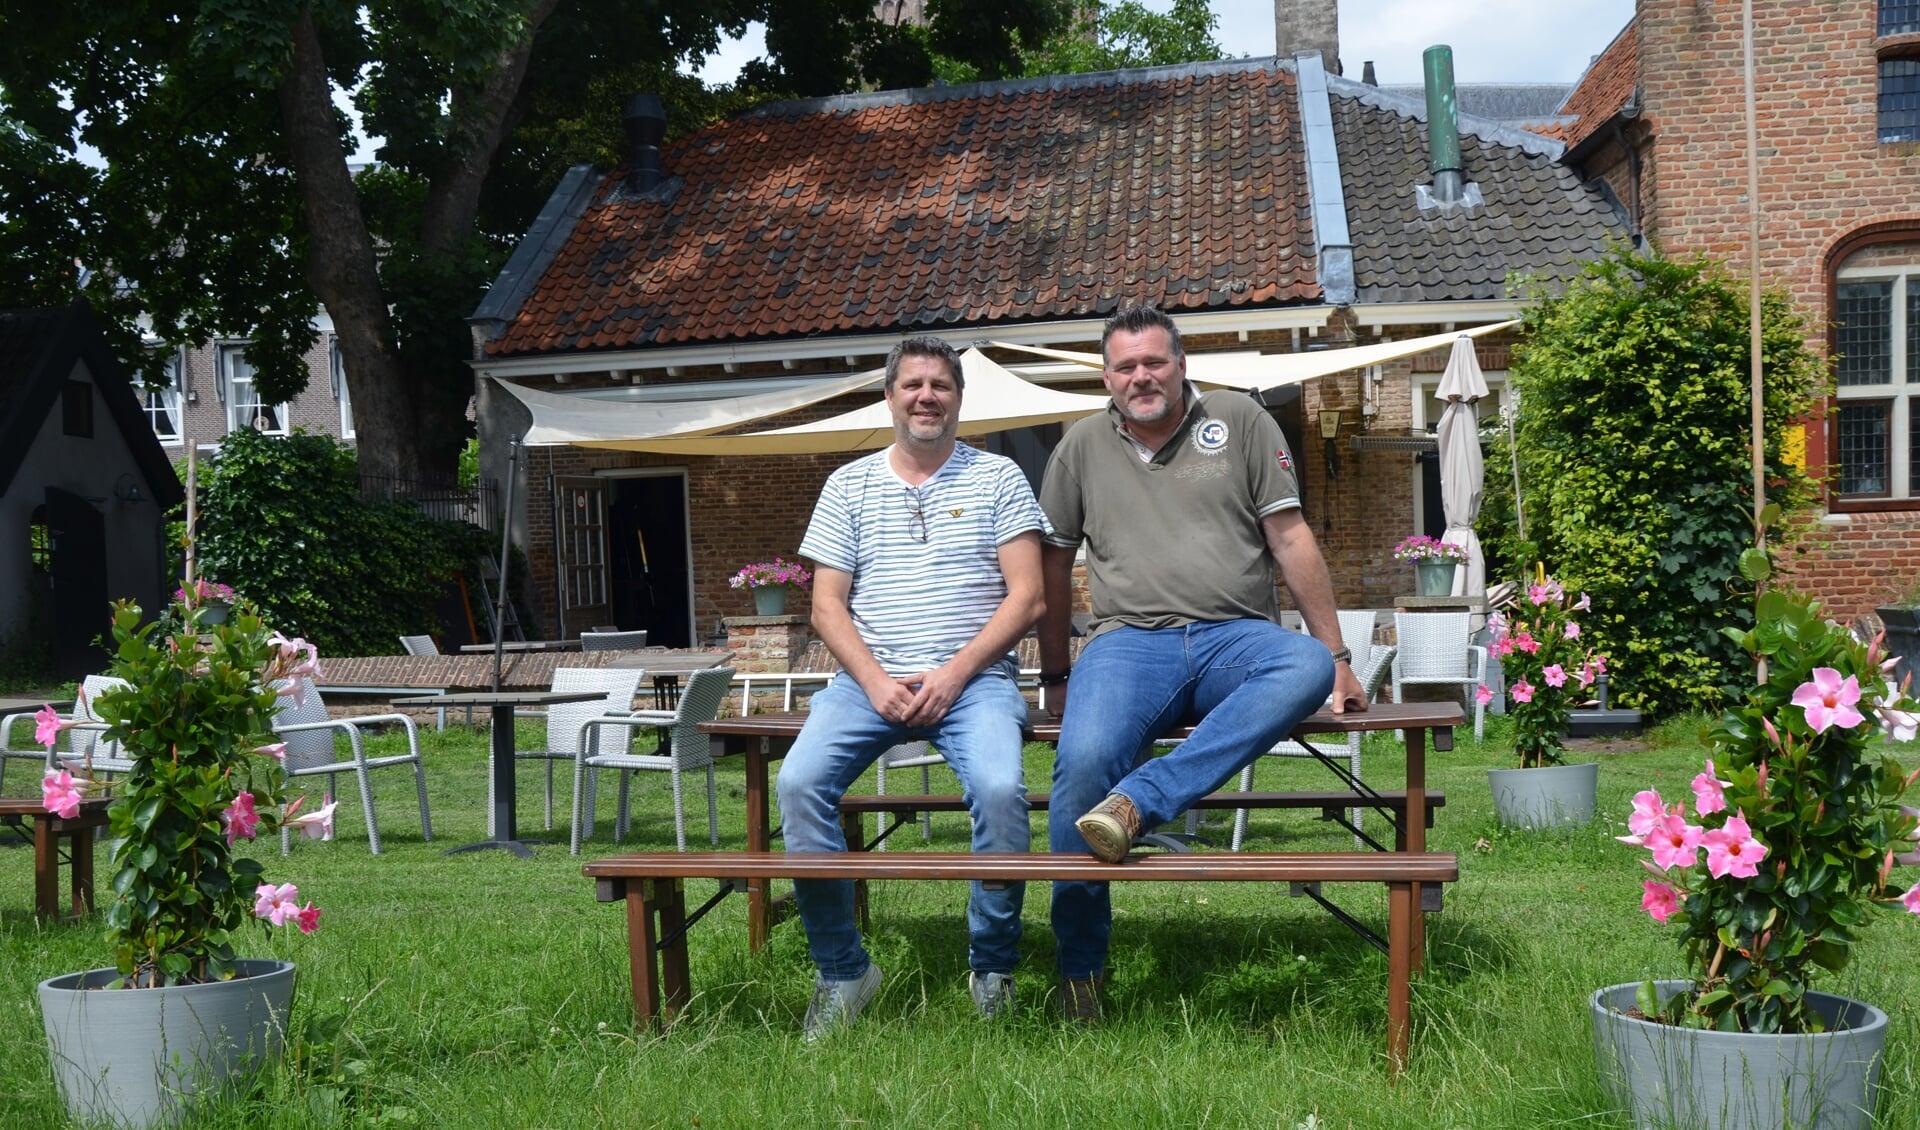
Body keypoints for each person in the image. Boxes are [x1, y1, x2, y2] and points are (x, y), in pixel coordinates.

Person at [1036, 304, 1367, 1020]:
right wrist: (1057, 674)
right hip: (1126, 644)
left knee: (1302, 665)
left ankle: (1142, 801)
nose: (1141, 376)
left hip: (1233, 639)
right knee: (1083, 762)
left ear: (1181, 365)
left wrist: (1337, 656)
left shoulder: (1242, 421)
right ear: (1106, 377)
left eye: (1155, 361)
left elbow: (1290, 537)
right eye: (1125, 366)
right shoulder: (1080, 447)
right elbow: (1053, 568)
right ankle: (1080, 974)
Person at [775, 336, 1048, 1039]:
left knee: (998, 791)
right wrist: (874, 681)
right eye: (913, 384)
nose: (927, 396)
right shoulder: (848, 484)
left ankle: (992, 967)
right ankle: (843, 971)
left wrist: (953, 674)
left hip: (976, 682)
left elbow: (1028, 597)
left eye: (941, 385)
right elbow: (826, 606)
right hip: (867, 683)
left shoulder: (1000, 478)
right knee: (799, 785)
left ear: (959, 398)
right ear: (889, 396)